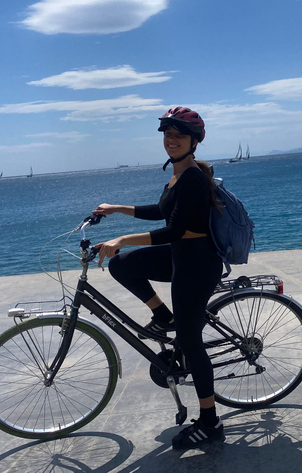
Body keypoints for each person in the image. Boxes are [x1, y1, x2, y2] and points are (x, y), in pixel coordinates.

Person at [92, 107, 224, 450]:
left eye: (179, 135)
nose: (172, 140)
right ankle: (162, 315)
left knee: (191, 341)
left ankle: (210, 422)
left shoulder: (193, 176)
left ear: (195, 140)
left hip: (197, 263)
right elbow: (162, 211)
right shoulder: (178, 175)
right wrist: (117, 208)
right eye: (168, 134)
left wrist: (121, 238)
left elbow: (175, 229)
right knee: (122, 265)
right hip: (180, 256)